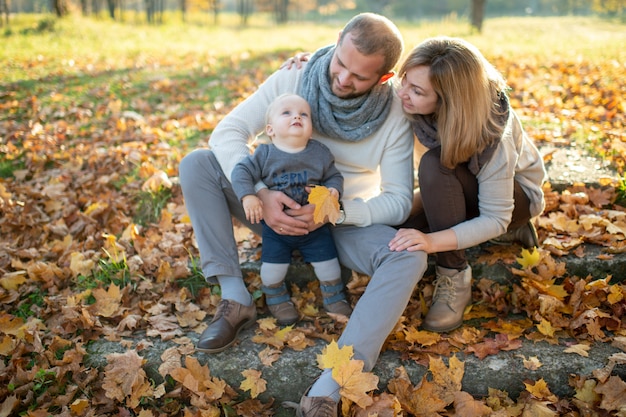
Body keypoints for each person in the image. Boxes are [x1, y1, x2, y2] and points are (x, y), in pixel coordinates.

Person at [179, 12, 425, 417]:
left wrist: (334, 212)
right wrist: (261, 192)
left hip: (337, 224)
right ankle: (235, 298)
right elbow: (227, 132)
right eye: (340, 63)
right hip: (267, 210)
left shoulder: (394, 115)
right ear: (336, 43)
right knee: (197, 163)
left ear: (384, 78)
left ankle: (330, 386)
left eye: (359, 77)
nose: (343, 79)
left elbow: (398, 199)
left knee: (409, 254)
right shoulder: (296, 77)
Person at [388, 36, 547, 332]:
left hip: (511, 200)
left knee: (434, 164)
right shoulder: (412, 99)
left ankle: (453, 273)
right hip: (452, 189)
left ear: (448, 101)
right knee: (392, 223)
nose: (402, 94)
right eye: (405, 80)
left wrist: (432, 242)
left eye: (417, 91)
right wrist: (307, 66)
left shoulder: (492, 130)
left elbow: (495, 218)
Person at [230, 93, 352, 326]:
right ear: (270, 129)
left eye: (303, 114)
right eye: (286, 113)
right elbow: (241, 172)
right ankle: (276, 297)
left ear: (310, 129)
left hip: (314, 229)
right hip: (278, 231)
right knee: (272, 271)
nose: (296, 115)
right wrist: (248, 196)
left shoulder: (320, 153)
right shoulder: (264, 154)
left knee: (329, 266)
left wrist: (333, 192)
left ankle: (334, 297)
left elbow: (334, 176)